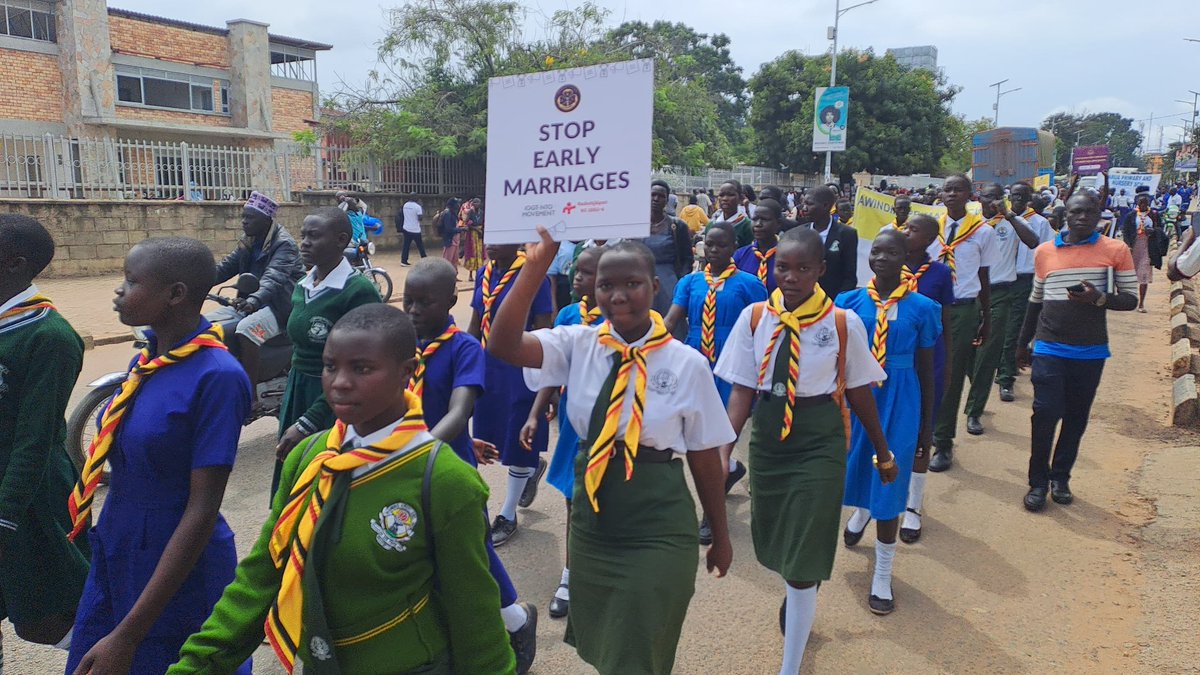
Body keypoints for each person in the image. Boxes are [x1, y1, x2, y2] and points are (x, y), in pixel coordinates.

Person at [169, 304, 516, 674]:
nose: (339, 382)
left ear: (407, 373)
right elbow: (262, 575)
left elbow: (475, 615)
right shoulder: (310, 458)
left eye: (362, 368)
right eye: (331, 366)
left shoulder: (445, 480)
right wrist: (196, 665)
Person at [488, 234, 735, 675]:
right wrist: (534, 268)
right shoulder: (577, 343)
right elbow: (503, 345)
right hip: (595, 520)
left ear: (654, 286)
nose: (618, 295)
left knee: (639, 641)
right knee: (608, 637)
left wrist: (721, 532)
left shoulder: (686, 363)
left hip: (657, 519)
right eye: (606, 285)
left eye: (632, 283)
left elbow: (703, 455)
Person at [67, 237, 253, 675]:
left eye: (131, 282)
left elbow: (202, 509)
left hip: (173, 569)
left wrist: (129, 634)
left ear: (175, 294)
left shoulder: (218, 377)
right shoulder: (150, 360)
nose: (119, 291)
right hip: (119, 544)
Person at [713, 228, 892, 673]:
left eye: (802, 269)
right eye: (783, 268)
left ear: (820, 271)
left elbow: (860, 390)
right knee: (777, 539)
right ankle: (800, 595)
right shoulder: (756, 318)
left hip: (819, 439)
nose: (790, 277)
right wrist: (723, 450)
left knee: (804, 553)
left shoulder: (840, 323)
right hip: (771, 440)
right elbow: (741, 389)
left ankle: (790, 664)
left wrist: (883, 452)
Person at [402, 259, 538, 672]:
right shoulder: (398, 342)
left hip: (446, 466)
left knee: (471, 546)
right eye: (408, 300)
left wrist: (419, 450)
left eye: (424, 302)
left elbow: (458, 411)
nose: (412, 309)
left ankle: (515, 619)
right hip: (400, 459)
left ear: (450, 300)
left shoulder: (464, 348)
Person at [836, 229, 939, 615]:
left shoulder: (922, 308)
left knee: (890, 478)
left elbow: (927, 372)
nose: (881, 258)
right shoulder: (847, 302)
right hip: (857, 395)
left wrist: (926, 429)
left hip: (900, 396)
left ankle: (882, 572)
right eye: (876, 251)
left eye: (891, 252)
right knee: (858, 467)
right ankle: (862, 510)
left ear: (905, 256)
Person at [0, 215, 89, 658]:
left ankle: (129, 657)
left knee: (43, 619)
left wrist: (6, 516)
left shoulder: (50, 336)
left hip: (28, 499)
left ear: (15, 265)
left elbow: (33, 442)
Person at [1015, 192, 1137, 512]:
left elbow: (1130, 299)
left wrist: (1099, 298)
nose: (1082, 217)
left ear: (1100, 215)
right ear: (1065, 215)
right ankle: (1038, 482)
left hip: (1090, 350)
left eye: (1089, 211)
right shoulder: (1044, 252)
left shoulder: (1116, 250)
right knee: (1045, 413)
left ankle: (1061, 477)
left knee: (1075, 418)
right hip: (1049, 345)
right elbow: (1035, 302)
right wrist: (1021, 344)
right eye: (1076, 211)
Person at [665, 222, 767, 545]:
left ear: (734, 247)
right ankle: (732, 469)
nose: (713, 251)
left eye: (721, 245)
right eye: (709, 244)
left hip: (732, 365)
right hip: (696, 363)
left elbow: (762, 329)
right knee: (697, 436)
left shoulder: (749, 284)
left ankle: (711, 514)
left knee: (716, 441)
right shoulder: (690, 282)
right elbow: (672, 320)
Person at [275, 208, 383, 492]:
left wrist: (310, 420)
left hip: (336, 400)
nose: (305, 243)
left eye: (314, 236)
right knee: (292, 477)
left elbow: (364, 367)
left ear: (341, 240)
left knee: (325, 483)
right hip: (298, 390)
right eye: (303, 236)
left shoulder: (357, 291)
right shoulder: (302, 286)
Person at [528, 246, 604, 620]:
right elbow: (552, 369)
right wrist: (535, 411)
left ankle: (604, 568)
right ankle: (571, 575)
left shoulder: (620, 321)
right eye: (576, 271)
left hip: (612, 425)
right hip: (574, 425)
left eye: (587, 273)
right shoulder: (569, 314)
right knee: (574, 498)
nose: (577, 278)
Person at [470, 244, 554, 546]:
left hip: (521, 367)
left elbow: (545, 329)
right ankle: (531, 469)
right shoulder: (484, 273)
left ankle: (507, 514)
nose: (490, 242)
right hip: (488, 367)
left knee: (519, 438)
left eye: (498, 234)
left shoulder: (535, 275)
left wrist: (549, 382)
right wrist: (464, 365)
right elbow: (476, 322)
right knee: (491, 436)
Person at [928, 175, 998, 472]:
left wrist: (986, 317)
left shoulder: (982, 231)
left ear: (971, 195)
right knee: (922, 372)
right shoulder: (931, 228)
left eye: (958, 189)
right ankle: (923, 430)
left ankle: (943, 442)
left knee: (950, 377)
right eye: (947, 189)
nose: (952, 194)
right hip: (929, 308)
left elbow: (983, 278)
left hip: (961, 309)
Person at [961, 182, 1042, 435]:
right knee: (967, 356)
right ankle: (978, 390)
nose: (993, 202)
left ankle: (974, 411)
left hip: (1000, 293)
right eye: (988, 197)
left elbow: (1033, 241)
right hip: (970, 294)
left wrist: (1008, 214)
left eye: (998, 197)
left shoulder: (1012, 221)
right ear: (979, 198)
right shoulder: (970, 221)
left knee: (987, 356)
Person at [896, 215, 955, 544]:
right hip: (892, 363)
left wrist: (945, 370)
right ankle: (876, 499)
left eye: (914, 230)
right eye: (905, 229)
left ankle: (914, 504)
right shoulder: (888, 267)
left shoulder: (940, 273)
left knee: (922, 433)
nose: (906, 233)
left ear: (932, 238)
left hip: (926, 364)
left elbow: (945, 325)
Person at [210, 191, 304, 389]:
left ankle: (248, 393)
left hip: (280, 306)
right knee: (207, 326)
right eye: (243, 216)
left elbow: (274, 277)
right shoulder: (249, 241)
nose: (244, 222)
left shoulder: (284, 244)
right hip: (252, 303)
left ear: (266, 219)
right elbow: (225, 267)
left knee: (245, 330)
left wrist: (254, 300)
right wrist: (194, 282)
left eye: (250, 217)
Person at [996, 182, 1056, 403]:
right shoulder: (998, 220)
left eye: (1022, 196)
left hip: (1024, 280)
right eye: (1014, 195)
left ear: (1029, 198)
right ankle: (1001, 365)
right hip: (1000, 281)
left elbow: (1047, 252)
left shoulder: (1040, 223)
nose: (1017, 199)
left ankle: (1006, 379)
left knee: (1015, 331)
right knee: (998, 329)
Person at [645, 180, 695, 322]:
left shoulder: (676, 226)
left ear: (667, 199)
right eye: (653, 195)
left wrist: (680, 285)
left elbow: (687, 258)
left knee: (669, 324)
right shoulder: (636, 225)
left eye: (661, 196)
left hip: (668, 284)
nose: (656, 199)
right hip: (640, 281)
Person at [800, 185, 859, 296]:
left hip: (832, 303)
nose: (804, 209)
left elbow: (850, 277)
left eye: (809, 204)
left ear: (826, 206)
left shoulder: (847, 234)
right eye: (804, 204)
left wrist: (836, 304)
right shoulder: (799, 233)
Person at [1121, 193, 1163, 312]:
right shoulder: (1131, 215)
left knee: (1144, 274)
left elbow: (1160, 229)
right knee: (1129, 274)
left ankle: (1141, 304)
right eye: (1141, 203)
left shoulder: (1154, 215)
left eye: (1145, 203)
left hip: (1148, 247)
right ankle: (1127, 300)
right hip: (1134, 247)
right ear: (1138, 204)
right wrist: (1128, 245)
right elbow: (1126, 231)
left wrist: (1153, 231)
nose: (1143, 205)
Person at [734, 198, 782, 293]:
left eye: (765, 219)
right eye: (755, 219)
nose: (758, 224)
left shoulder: (787, 255)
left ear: (778, 223)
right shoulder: (740, 255)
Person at [708, 180, 753, 248]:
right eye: (721, 195)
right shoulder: (711, 225)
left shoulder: (746, 226)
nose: (725, 199)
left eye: (730, 195)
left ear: (740, 198)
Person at [399, 193, 427, 266]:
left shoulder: (405, 205)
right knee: (420, 246)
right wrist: (422, 207)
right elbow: (420, 218)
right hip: (415, 230)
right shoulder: (417, 207)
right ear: (416, 198)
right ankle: (425, 260)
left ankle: (403, 261)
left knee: (406, 245)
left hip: (406, 228)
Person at [461, 198, 486, 281]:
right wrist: (475, 228)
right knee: (472, 253)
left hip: (479, 235)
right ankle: (470, 275)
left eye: (479, 203)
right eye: (475, 203)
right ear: (473, 204)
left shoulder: (482, 212)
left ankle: (479, 274)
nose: (477, 204)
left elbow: (483, 222)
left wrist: (481, 230)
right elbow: (466, 222)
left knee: (479, 254)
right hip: (472, 235)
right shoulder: (470, 212)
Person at [437, 197, 463, 270]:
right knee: (447, 260)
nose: (458, 205)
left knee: (454, 259)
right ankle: (445, 276)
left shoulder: (452, 213)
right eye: (457, 203)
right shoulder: (447, 213)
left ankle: (454, 275)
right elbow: (448, 229)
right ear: (453, 204)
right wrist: (460, 229)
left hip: (455, 239)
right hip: (450, 239)